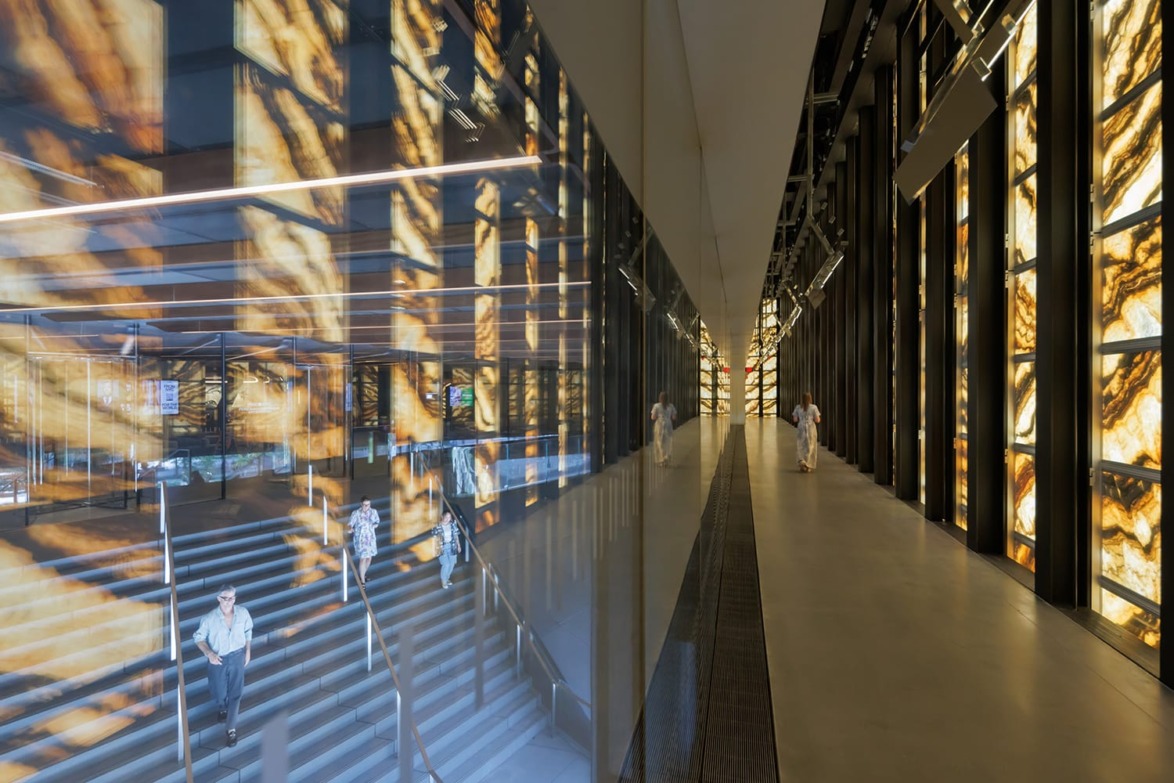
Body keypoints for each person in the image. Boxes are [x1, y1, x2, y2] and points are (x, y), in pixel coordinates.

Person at [193, 584, 253, 748]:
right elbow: (198, 638)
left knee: (236, 693)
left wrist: (248, 651)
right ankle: (221, 707)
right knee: (218, 690)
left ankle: (231, 729)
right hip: (218, 659)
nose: (228, 602)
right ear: (219, 598)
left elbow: (248, 632)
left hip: (237, 656)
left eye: (231, 598)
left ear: (235, 598)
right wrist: (209, 654)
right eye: (225, 598)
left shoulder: (243, 613)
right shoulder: (209, 618)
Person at [348, 495, 379, 584]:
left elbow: (377, 522)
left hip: (370, 538)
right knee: (363, 558)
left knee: (369, 558)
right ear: (361, 504)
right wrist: (350, 528)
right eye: (364, 505)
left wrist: (374, 525)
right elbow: (350, 523)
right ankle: (362, 580)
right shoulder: (356, 513)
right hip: (361, 539)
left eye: (368, 505)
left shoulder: (373, 512)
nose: (366, 507)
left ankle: (362, 574)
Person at [791, 392, 822, 472]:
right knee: (810, 445)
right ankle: (808, 464)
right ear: (810, 399)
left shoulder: (798, 407)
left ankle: (801, 460)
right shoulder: (814, 407)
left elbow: (795, 419)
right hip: (811, 427)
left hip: (801, 426)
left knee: (800, 444)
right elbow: (817, 420)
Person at [431, 510, 462, 589]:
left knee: (452, 564)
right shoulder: (437, 526)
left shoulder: (452, 525)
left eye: (450, 517)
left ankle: (447, 578)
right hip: (442, 547)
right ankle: (444, 581)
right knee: (446, 564)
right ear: (442, 516)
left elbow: (456, 536)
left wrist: (458, 545)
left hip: (452, 546)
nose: (448, 519)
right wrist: (433, 549)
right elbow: (434, 539)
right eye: (447, 517)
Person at [650, 391, 678, 467]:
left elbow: (653, 417)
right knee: (668, 441)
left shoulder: (656, 406)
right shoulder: (671, 406)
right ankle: (667, 456)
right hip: (668, 424)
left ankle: (662, 458)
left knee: (659, 441)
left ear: (660, 398)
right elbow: (674, 417)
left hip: (659, 424)